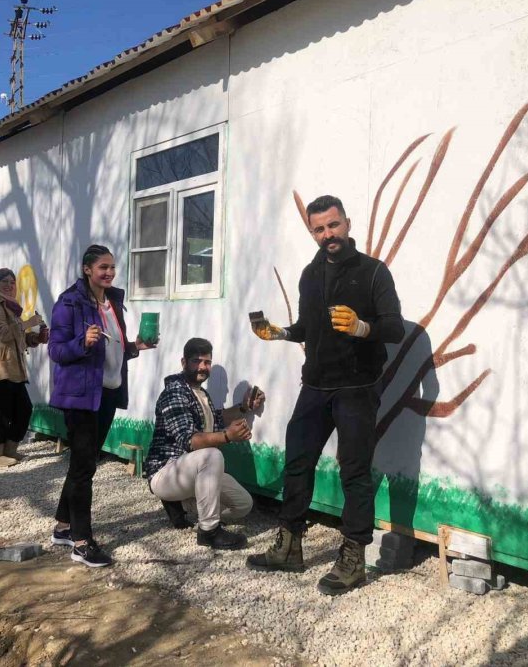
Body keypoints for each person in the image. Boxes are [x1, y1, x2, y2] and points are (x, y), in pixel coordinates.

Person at [245, 195, 404, 595]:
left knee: (354, 471)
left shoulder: (373, 273)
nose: (327, 234)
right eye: (319, 228)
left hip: (357, 388)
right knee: (298, 462)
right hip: (315, 386)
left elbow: (395, 328)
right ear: (312, 231)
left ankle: (353, 558)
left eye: (333, 225)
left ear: (347, 223)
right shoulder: (309, 275)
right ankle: (290, 546)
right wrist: (280, 332)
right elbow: (307, 327)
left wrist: (363, 328)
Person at [47, 244, 157, 567]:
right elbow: (56, 350)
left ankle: (64, 526)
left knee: (84, 461)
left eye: (111, 267)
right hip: (80, 396)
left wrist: (137, 346)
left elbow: (115, 347)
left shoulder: (112, 302)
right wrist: (82, 342)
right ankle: (82, 542)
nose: (108, 273)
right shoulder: (69, 303)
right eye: (102, 268)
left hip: (107, 392)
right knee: (85, 468)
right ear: (87, 269)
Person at [145, 338, 265, 549]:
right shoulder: (174, 392)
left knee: (244, 504)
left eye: (207, 362)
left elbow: (216, 419)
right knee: (212, 454)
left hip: (191, 470)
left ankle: (198, 512)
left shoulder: (200, 393)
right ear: (184, 362)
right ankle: (209, 531)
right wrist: (227, 436)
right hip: (166, 472)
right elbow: (189, 440)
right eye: (196, 361)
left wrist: (245, 407)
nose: (202, 367)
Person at [0, 268, 48, 467]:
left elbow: (18, 338)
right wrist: (29, 323)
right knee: (1, 411)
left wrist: (36, 338)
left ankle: (9, 450)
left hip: (12, 367)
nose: (9, 285)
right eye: (4, 282)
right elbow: (3, 334)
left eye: (12, 281)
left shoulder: (10, 307)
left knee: (23, 409)